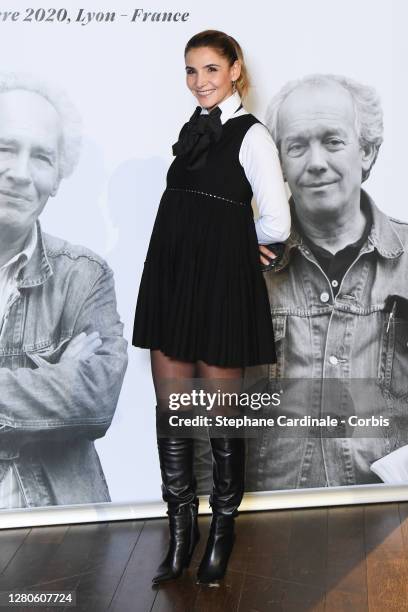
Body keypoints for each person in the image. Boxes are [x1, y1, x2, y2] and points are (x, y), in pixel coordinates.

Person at [132, 30, 290, 584]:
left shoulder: (253, 136)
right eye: (191, 71)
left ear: (236, 70)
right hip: (173, 279)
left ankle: (221, 533)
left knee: (221, 415)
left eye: (211, 70)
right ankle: (181, 535)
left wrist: (234, 245)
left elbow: (277, 222)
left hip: (221, 286)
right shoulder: (190, 131)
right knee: (172, 412)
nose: (200, 81)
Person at [246, 73, 408, 491]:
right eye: (297, 146)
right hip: (271, 532)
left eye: (333, 141)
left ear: (368, 152)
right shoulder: (235, 267)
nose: (315, 162)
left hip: (394, 527)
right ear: (278, 162)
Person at [0, 72, 128, 509]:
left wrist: (75, 388)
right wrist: (54, 380)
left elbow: (95, 400)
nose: (19, 173)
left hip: (62, 540)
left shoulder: (85, 276)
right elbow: (70, 395)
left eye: (41, 157)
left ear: (57, 178)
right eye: (4, 148)